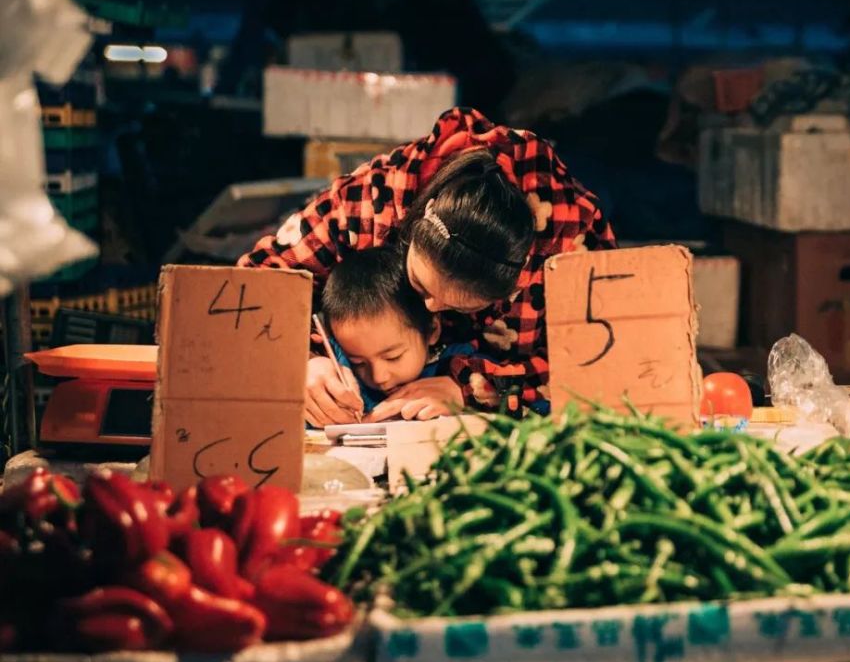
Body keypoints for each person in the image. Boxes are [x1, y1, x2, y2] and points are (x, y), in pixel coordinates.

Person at [239, 107, 617, 424]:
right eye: (420, 287)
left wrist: (474, 388)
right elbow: (250, 288)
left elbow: (605, 364)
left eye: (462, 306)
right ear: (414, 222)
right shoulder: (372, 200)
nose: (432, 309)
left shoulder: (573, 242)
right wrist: (300, 358)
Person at [316, 247, 475, 424]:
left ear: (432, 330)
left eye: (393, 357)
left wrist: (466, 393)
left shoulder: (461, 363)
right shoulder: (338, 369)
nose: (379, 377)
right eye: (358, 362)